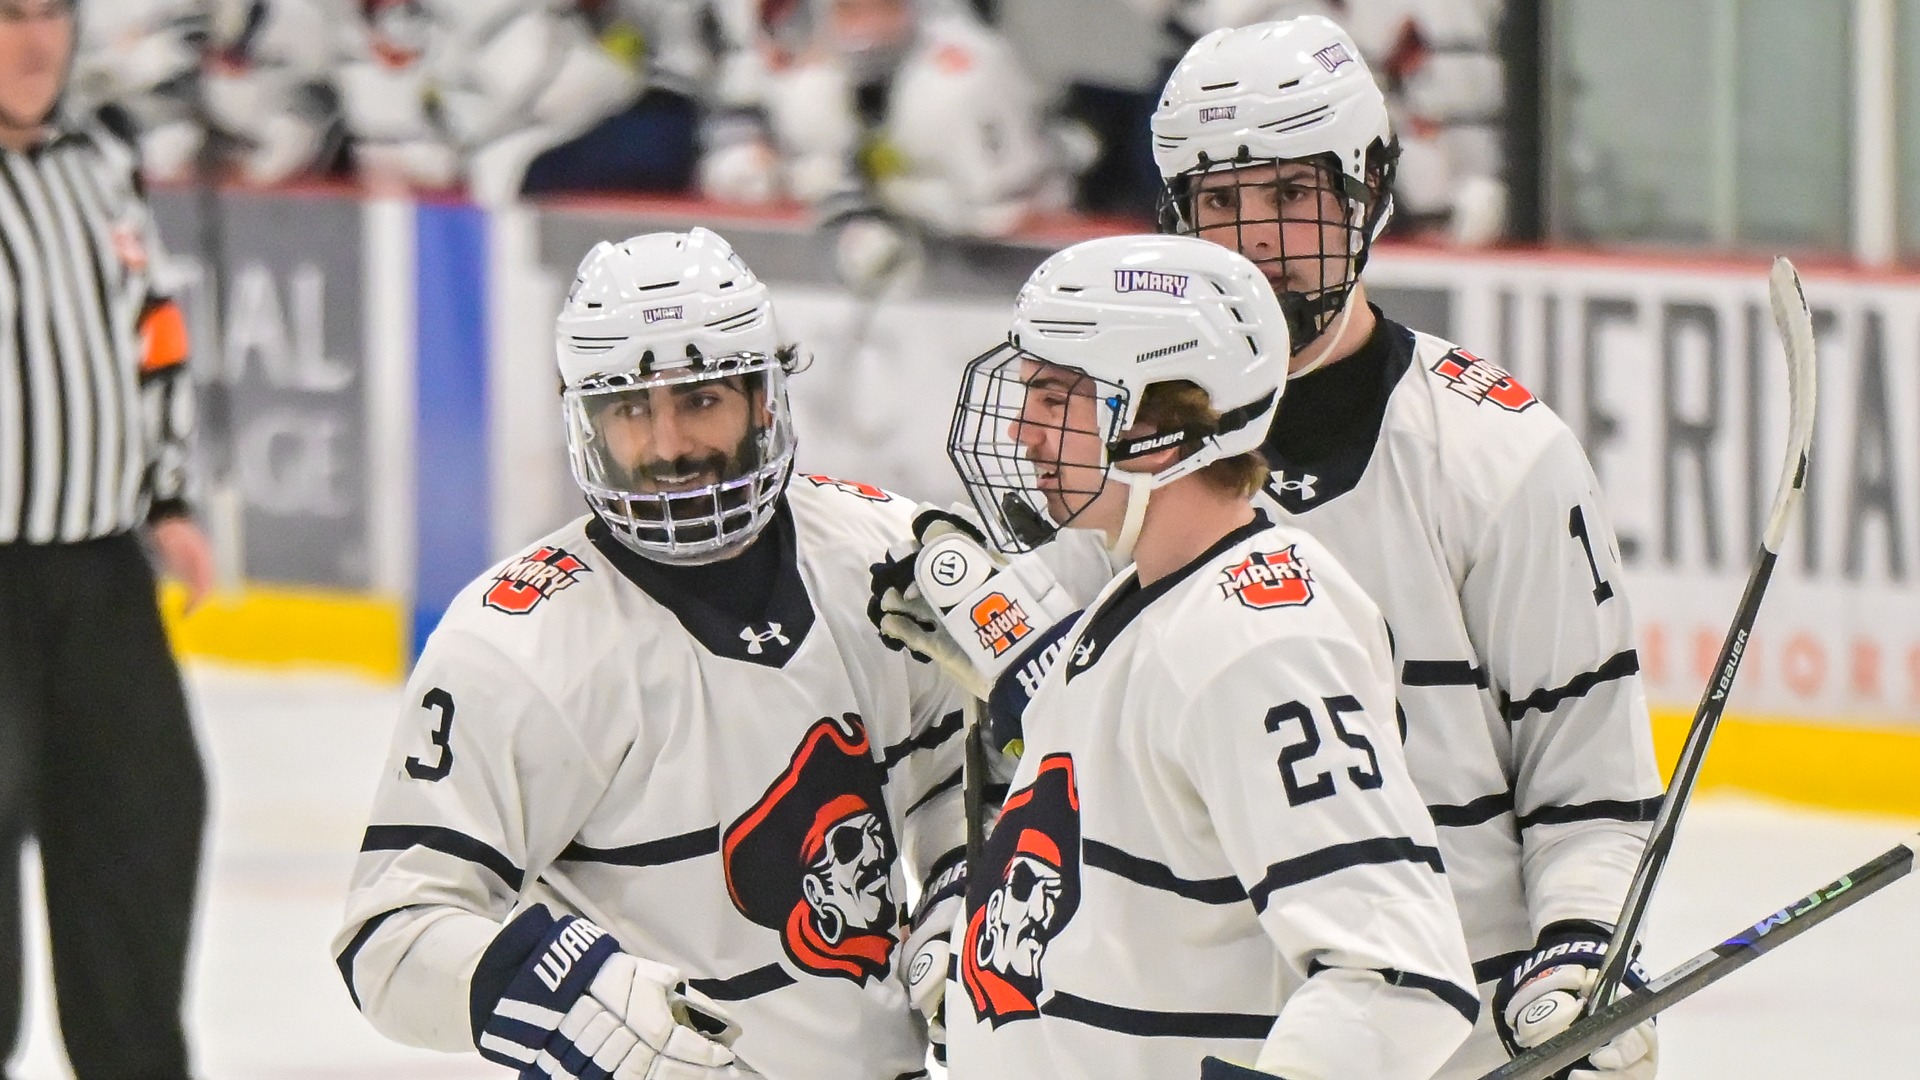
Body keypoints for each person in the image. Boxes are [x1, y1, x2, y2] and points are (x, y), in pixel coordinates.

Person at [877, 15, 1663, 1080]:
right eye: (1220, 204)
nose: (1254, 243)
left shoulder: (1498, 459)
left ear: (1368, 189)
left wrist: (1582, 949)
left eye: (1292, 197)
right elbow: (1042, 753)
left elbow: (1589, 788)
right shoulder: (1132, 454)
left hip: (1435, 1042)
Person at [332, 227, 967, 1080]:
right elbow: (391, 937)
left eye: (701, 399)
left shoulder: (886, 559)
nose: (669, 445)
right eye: (632, 409)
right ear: (585, 420)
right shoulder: (514, 643)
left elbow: (960, 776)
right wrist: (565, 997)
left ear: (765, 398)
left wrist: (964, 890)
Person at [922, 233, 1477, 1080]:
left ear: (1162, 425)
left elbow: (1397, 979)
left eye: (1058, 395)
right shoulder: (1146, 589)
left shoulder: (1262, 644)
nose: (1024, 430)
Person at [0, 0, 216, 1076]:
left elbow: (153, 330)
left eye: (50, 13)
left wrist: (167, 495)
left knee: (143, 825)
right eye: (6, 15)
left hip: (95, 574)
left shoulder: (97, 164)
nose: (34, 40)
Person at [700, 0, 1070, 296]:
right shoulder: (810, 79)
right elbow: (746, 174)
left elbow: (1011, 215)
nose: (866, 25)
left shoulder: (966, 76)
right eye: (849, 8)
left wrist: (908, 199)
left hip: (996, 289)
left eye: (882, 5)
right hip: (863, 287)